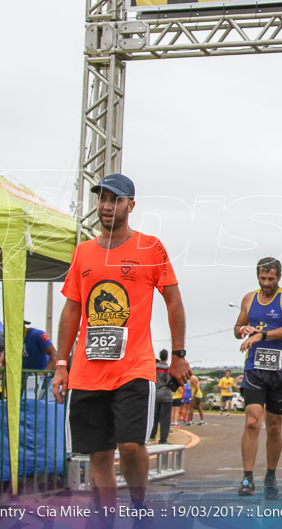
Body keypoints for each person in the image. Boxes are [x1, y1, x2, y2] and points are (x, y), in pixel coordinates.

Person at [51, 173, 191, 522]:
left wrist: (178, 356)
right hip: (87, 371)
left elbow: (173, 300)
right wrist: (61, 364)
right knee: (98, 454)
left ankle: (141, 507)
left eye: (115, 200)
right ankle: (105, 519)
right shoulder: (83, 252)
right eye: (102, 199)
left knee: (129, 445)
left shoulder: (150, 247)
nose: (107, 206)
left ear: (131, 205)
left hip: (133, 368)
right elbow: (71, 309)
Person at [232, 257, 282, 500]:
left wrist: (261, 334)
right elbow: (237, 327)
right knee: (252, 421)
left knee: (274, 427)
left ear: (279, 277)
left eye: (271, 279)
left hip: (280, 371)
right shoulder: (249, 298)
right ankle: (247, 477)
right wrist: (243, 330)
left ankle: (270, 475)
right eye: (262, 278)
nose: (266, 283)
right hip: (254, 369)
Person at [151, 350, 173, 444]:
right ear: (167, 357)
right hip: (166, 394)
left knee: (154, 416)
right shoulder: (167, 369)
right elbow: (170, 382)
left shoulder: (154, 368)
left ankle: (151, 435)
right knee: (165, 418)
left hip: (155, 393)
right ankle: (163, 439)